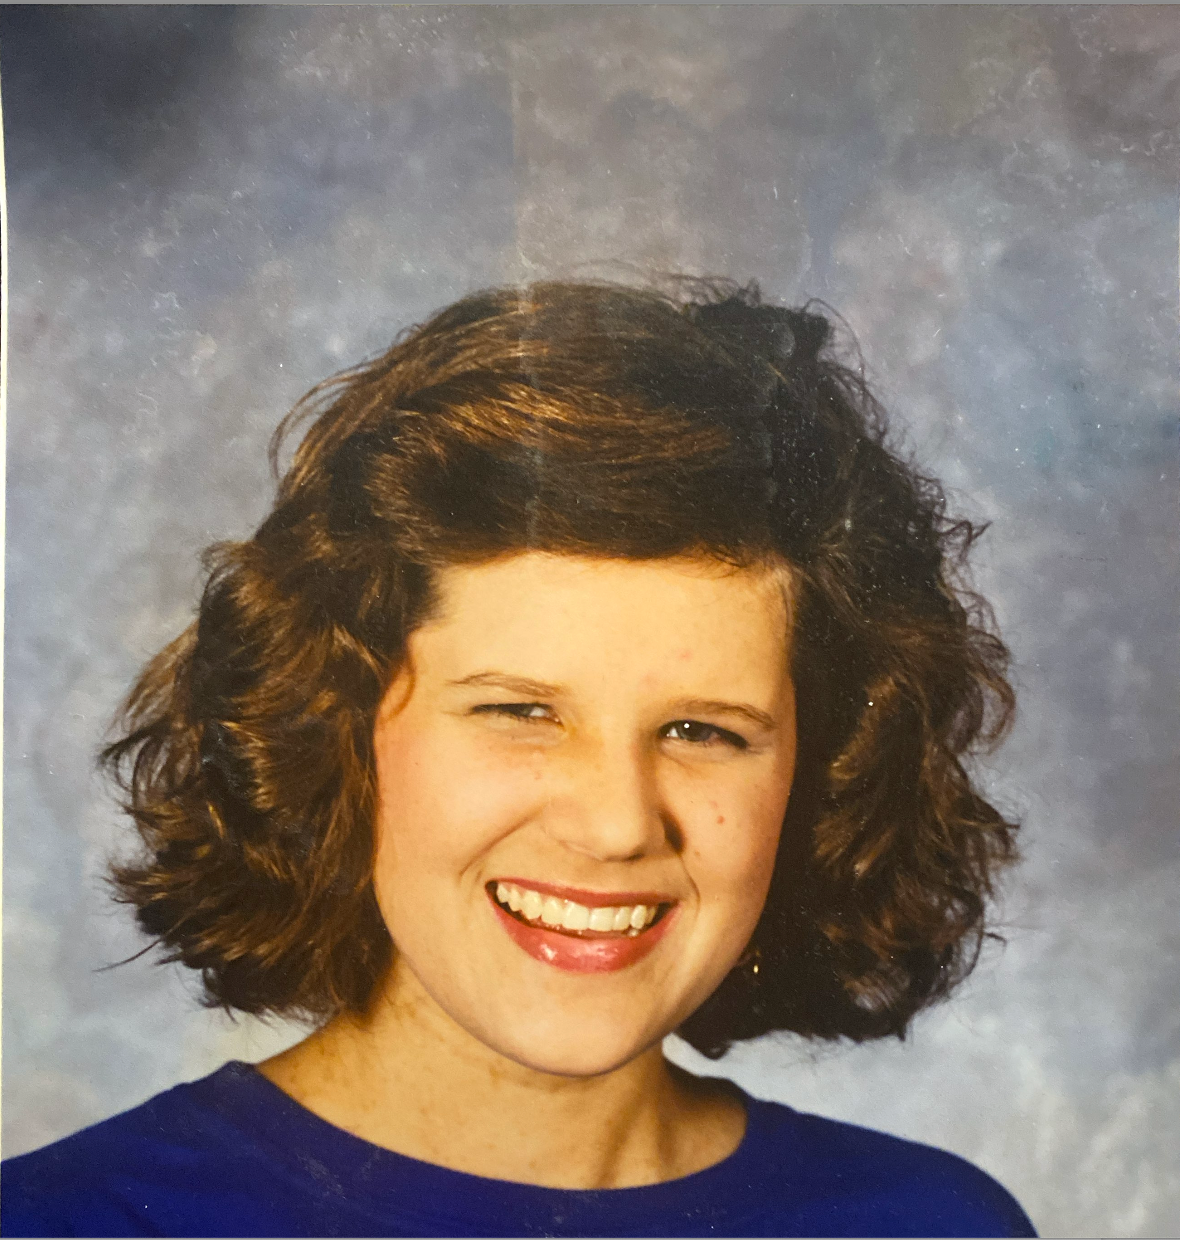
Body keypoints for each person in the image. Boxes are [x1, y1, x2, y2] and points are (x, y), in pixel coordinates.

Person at [2, 279, 1036, 1237]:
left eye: (701, 731)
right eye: (521, 711)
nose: (616, 822)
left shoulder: (931, 1220)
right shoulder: (71, 1219)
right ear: (333, 735)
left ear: (819, 776)